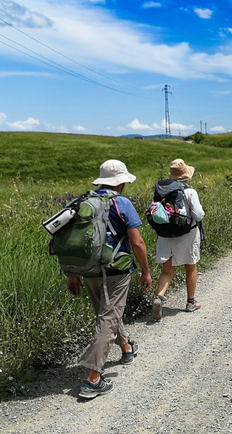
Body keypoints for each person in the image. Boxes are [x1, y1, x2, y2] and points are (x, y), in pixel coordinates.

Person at [66, 159, 153, 399]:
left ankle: (126, 349)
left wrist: (72, 274)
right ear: (121, 182)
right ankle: (92, 379)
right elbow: (137, 242)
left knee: (107, 314)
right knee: (108, 318)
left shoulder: (82, 201)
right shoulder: (121, 202)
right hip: (116, 269)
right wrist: (146, 271)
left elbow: (71, 244)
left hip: (88, 270)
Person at [152, 158, 205, 321]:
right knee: (191, 268)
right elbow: (198, 215)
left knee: (167, 271)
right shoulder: (190, 192)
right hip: (187, 235)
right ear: (186, 176)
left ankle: (158, 298)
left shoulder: (161, 191)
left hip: (165, 234)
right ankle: (190, 302)